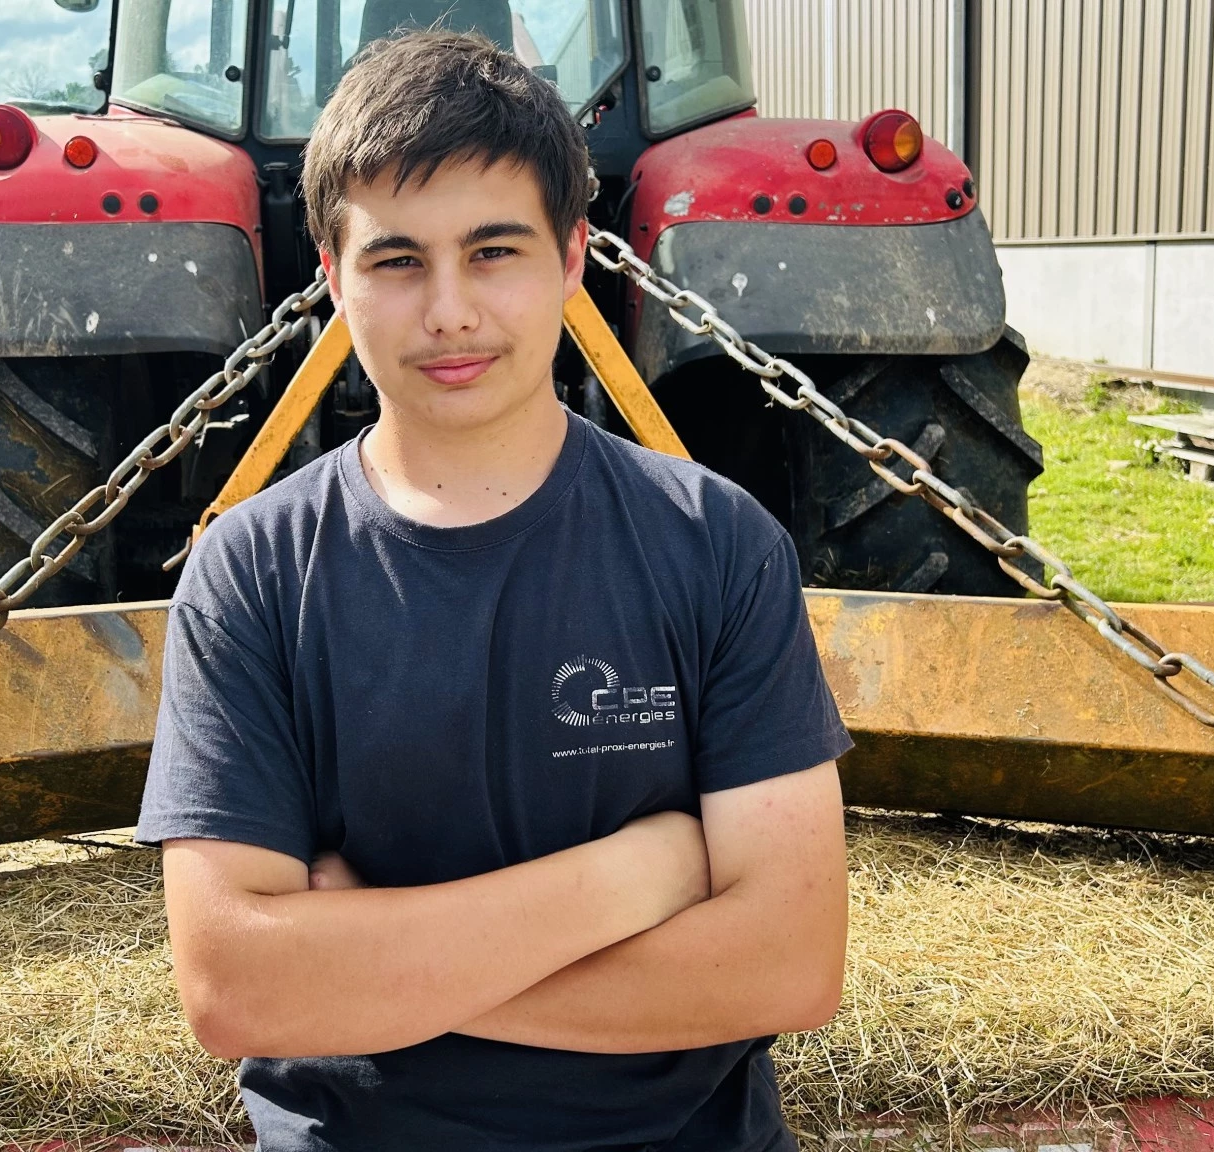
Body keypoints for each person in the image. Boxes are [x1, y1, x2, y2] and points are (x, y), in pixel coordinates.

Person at [135, 29, 851, 1151]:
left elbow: (787, 964)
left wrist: (369, 973)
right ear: (331, 275)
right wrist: (634, 876)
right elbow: (237, 991)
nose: (450, 312)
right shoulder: (253, 573)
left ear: (571, 260)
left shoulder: (717, 546)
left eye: (494, 251)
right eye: (396, 260)